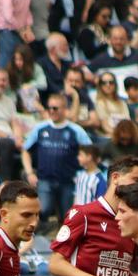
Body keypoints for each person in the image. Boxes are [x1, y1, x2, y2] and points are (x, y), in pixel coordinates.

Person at [21, 93, 92, 222]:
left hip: (69, 180)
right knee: (43, 210)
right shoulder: (40, 128)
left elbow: (90, 152)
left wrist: (84, 174)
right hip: (45, 179)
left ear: (65, 109)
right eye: (50, 108)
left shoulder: (76, 130)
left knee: (68, 216)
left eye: (55, 108)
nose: (52, 111)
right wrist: (29, 172)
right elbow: (25, 150)